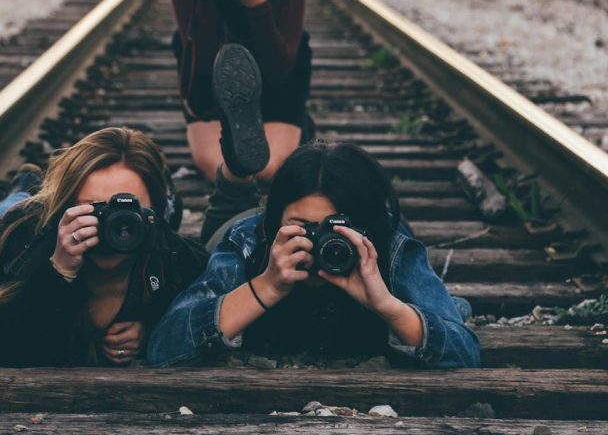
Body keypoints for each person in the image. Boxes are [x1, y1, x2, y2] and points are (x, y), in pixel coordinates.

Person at [147, 142, 481, 369]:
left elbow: (464, 353)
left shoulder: (390, 247)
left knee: (448, 308)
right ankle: (235, 183)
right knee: (214, 240)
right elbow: (164, 347)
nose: (322, 244)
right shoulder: (251, 239)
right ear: (273, 222)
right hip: (235, 226)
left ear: (365, 228)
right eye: (301, 227)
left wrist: (386, 304)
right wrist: (267, 285)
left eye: (337, 231)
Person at [0, 128, 209, 367]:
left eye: (127, 208)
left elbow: (211, 309)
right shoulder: (18, 242)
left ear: (155, 213)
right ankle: (24, 187)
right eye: (92, 208)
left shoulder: (169, 252)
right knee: (10, 209)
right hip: (16, 222)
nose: (115, 225)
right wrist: (58, 270)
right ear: (65, 210)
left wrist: (152, 330)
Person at [168, 0, 312, 190]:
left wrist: (258, 6)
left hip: (277, 79)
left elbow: (280, 71)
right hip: (207, 85)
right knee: (224, 171)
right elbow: (202, 70)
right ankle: (258, 125)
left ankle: (292, 125)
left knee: (267, 170)